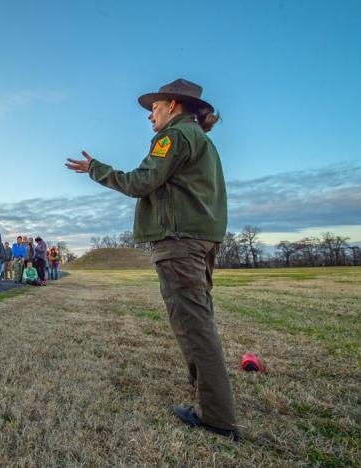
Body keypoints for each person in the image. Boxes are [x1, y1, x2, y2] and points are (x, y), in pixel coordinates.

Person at [65, 78, 237, 440]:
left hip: (178, 242)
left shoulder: (172, 137)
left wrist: (95, 168)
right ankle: (205, 394)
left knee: (193, 324)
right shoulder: (202, 140)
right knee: (197, 319)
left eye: (154, 108)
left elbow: (139, 182)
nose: (150, 116)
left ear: (172, 105)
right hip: (200, 240)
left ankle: (218, 417)